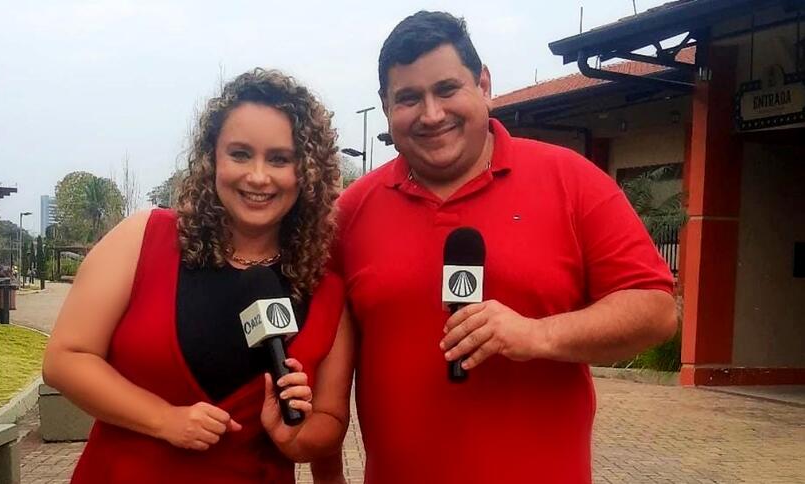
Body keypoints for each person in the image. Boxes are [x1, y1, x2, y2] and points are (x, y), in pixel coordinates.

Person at [326, 11, 678, 484]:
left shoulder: (570, 181)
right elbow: (320, 355)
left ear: (484, 84)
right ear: (386, 107)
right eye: (409, 98)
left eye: (447, 89)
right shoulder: (352, 212)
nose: (431, 114)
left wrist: (538, 335)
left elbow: (656, 310)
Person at [43, 68, 354, 483]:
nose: (258, 176)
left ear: (308, 171)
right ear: (213, 158)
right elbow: (65, 359)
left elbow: (330, 424)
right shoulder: (143, 239)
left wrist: (294, 437)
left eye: (280, 158)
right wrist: (162, 419)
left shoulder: (327, 289)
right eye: (240, 154)